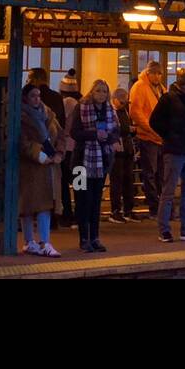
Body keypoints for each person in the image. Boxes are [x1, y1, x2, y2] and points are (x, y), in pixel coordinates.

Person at [149, 67, 185, 243]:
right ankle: (164, 228)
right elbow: (154, 121)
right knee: (169, 191)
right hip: (174, 150)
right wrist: (169, 135)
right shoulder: (168, 99)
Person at [69, 78, 120, 252]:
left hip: (101, 162)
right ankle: (83, 239)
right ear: (92, 91)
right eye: (98, 91)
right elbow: (74, 132)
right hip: (80, 163)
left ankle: (95, 237)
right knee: (82, 199)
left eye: (104, 91)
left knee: (95, 201)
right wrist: (94, 135)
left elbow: (116, 132)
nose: (101, 94)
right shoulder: (81, 107)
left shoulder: (110, 110)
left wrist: (108, 138)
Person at [18, 82, 62, 257]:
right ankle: (30, 241)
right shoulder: (20, 116)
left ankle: (44, 241)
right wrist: (38, 154)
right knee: (28, 205)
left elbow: (60, 134)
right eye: (33, 96)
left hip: (50, 164)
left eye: (38, 96)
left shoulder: (48, 113)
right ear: (25, 98)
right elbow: (22, 141)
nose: (37, 99)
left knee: (45, 204)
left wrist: (59, 152)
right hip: (31, 166)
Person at [129, 61, 166, 218]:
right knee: (150, 174)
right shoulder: (139, 87)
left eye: (160, 73)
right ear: (148, 73)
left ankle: (163, 207)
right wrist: (152, 130)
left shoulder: (162, 89)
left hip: (160, 138)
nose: (158, 76)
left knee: (161, 174)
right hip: (147, 137)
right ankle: (154, 207)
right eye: (155, 73)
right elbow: (136, 112)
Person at [108, 87, 139, 222]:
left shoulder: (124, 111)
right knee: (117, 181)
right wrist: (128, 129)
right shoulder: (111, 112)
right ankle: (115, 210)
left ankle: (128, 209)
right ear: (114, 100)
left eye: (125, 102)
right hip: (117, 151)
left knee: (128, 181)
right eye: (121, 102)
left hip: (127, 150)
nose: (124, 105)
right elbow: (112, 129)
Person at [58, 71, 81, 228]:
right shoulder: (82, 102)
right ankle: (81, 215)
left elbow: (63, 127)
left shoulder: (66, 103)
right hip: (80, 148)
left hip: (68, 148)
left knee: (64, 183)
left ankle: (67, 215)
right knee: (80, 184)